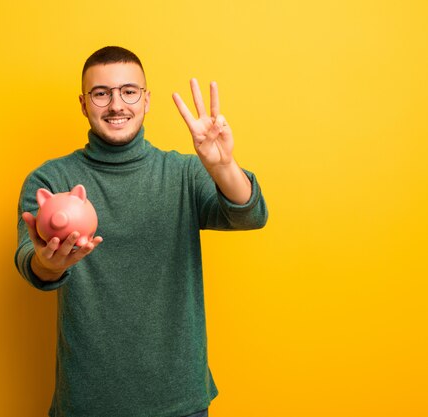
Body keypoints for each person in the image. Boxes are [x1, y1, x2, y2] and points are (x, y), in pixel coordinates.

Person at [15, 46, 268, 417]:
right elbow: (31, 264)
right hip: (87, 402)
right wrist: (49, 264)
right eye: (101, 93)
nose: (117, 104)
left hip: (180, 401)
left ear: (146, 100)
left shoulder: (182, 173)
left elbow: (250, 215)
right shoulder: (51, 180)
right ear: (84, 104)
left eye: (129, 91)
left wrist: (223, 165)